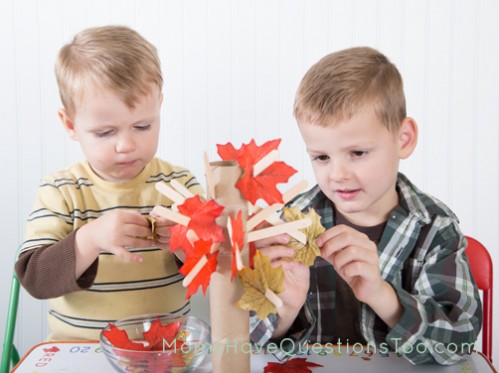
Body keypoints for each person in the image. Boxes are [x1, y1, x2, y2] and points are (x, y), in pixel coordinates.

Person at [250, 47, 482, 365]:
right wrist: (285, 308)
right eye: (321, 157)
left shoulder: (435, 229)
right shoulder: (293, 224)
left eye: (358, 153)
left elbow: (459, 343)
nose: (337, 175)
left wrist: (381, 294)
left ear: (403, 138)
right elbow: (243, 343)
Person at [15, 25, 204, 340]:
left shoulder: (178, 185)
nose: (126, 145)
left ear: (160, 105)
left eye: (142, 126)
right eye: (105, 132)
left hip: (166, 351)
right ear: (70, 124)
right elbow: (35, 279)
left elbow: (215, 268)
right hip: (78, 349)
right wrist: (89, 240)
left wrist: (184, 242)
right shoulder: (61, 191)